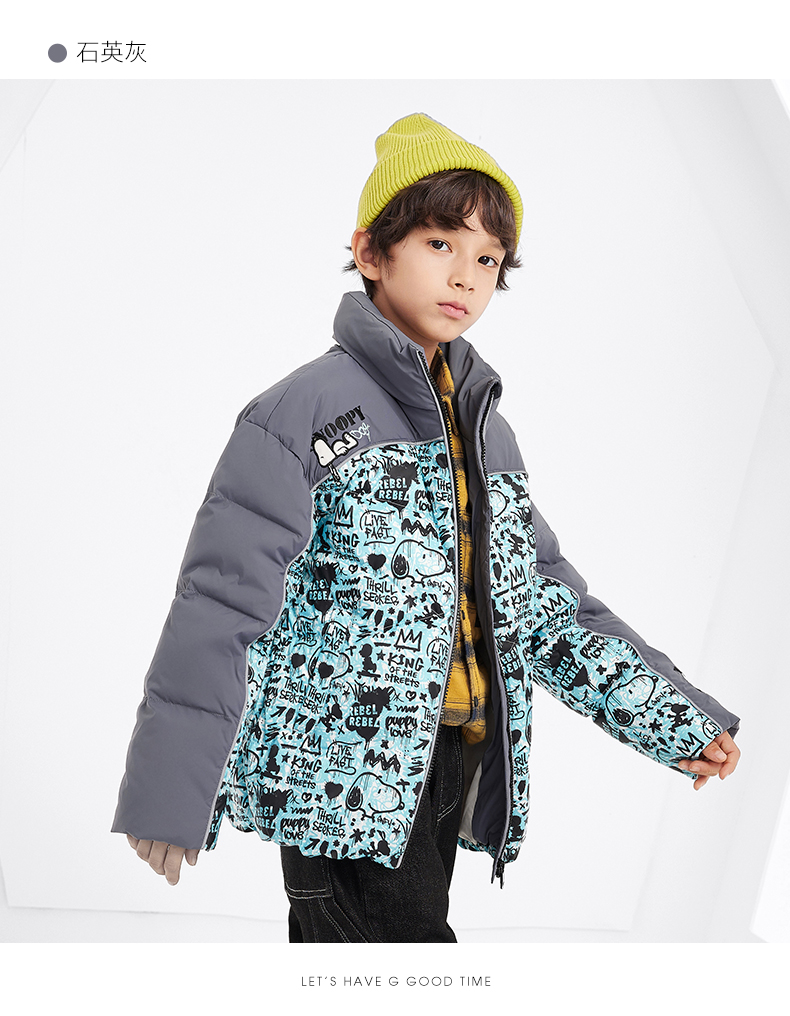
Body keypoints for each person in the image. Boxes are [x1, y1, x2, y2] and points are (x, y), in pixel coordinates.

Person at [112, 112, 741, 942]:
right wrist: (170, 789)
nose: (465, 277)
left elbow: (544, 605)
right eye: (441, 243)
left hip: (446, 766)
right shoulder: (302, 413)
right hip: (341, 780)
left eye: (488, 259)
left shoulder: (484, 432)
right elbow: (222, 603)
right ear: (371, 252)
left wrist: (674, 719)